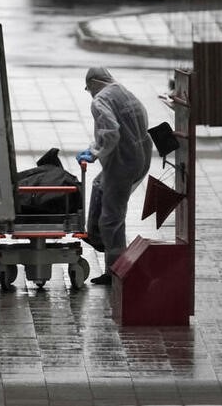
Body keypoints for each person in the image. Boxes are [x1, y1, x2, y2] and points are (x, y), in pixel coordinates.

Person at [76, 67, 152, 285]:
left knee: (112, 218)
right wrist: (94, 147)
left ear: (93, 83)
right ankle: (95, 233)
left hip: (122, 163)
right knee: (99, 184)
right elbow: (141, 120)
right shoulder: (123, 91)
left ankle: (115, 271)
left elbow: (110, 132)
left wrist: (94, 153)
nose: (89, 92)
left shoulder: (99, 100)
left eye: (88, 87)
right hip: (139, 157)